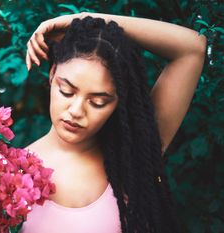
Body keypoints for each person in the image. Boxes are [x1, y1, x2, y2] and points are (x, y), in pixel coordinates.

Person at [19, 12, 206, 233]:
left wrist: (84, 19)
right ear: (52, 74)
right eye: (67, 91)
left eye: (98, 102)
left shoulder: (133, 151)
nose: (76, 111)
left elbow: (192, 48)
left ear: (119, 101)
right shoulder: (13, 170)